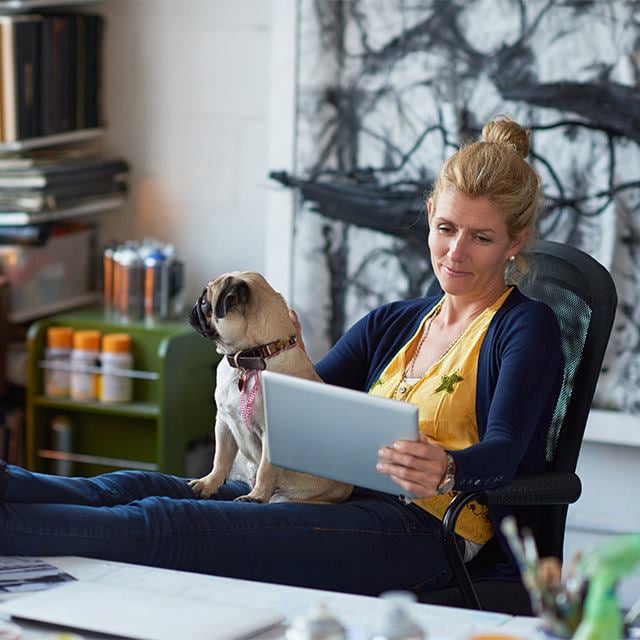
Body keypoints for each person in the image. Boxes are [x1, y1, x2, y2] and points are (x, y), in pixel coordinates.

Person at [0, 115, 563, 598]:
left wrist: (449, 465)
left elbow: (506, 451)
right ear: (431, 216)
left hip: (423, 530)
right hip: (327, 497)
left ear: (515, 241)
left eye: (481, 238)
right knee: (127, 488)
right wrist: (278, 351)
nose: (455, 252)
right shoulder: (395, 323)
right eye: (445, 228)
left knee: (166, 524)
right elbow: (302, 403)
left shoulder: (525, 328)